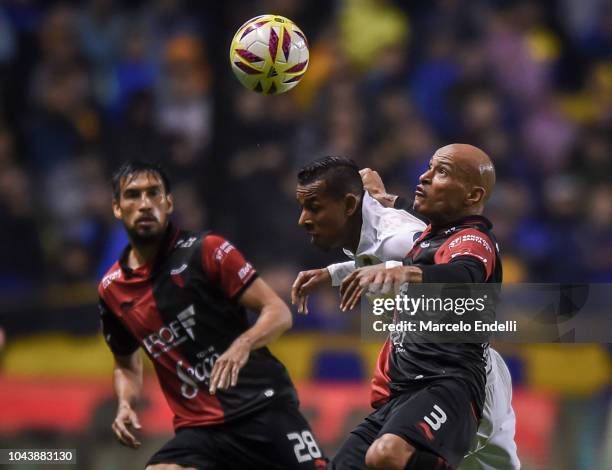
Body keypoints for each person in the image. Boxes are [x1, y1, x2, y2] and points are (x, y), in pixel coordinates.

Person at [293, 149, 519, 470]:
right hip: (413, 382)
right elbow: (414, 248)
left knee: (389, 455)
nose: (424, 176)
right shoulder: (428, 234)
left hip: (459, 382)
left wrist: (405, 272)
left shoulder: (455, 239)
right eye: (428, 168)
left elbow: (461, 272)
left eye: (441, 172)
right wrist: (334, 273)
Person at [98, 161, 326, 470]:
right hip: (200, 430)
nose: (144, 204)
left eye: (154, 194)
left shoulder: (206, 251)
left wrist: (243, 344)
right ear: (116, 207)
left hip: (261, 407)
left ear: (168, 203)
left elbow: (278, 312)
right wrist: (126, 403)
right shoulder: (112, 290)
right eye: (133, 196)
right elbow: (125, 362)